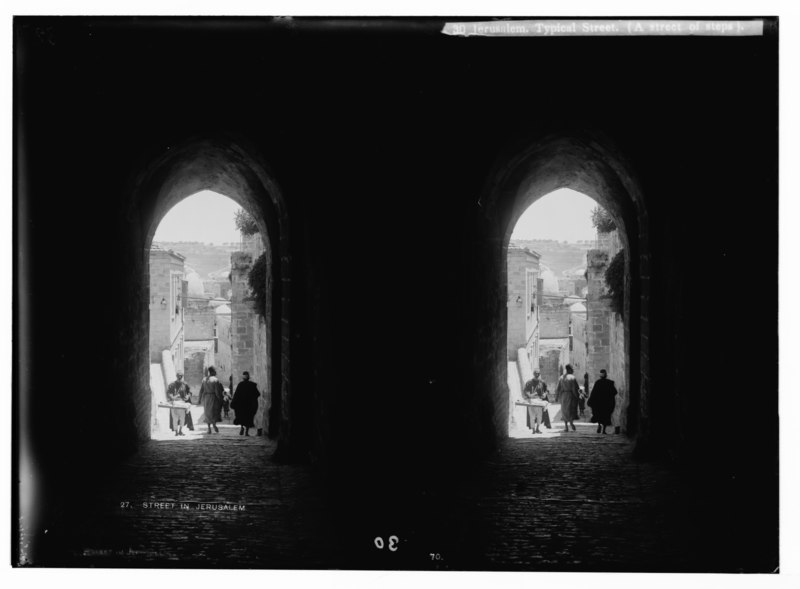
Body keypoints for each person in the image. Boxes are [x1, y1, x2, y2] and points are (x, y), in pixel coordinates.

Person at [588, 369, 618, 434]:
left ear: (600, 376)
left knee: (599, 414)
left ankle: (599, 425)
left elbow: (593, 393)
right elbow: (615, 392)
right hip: (607, 403)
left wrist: (591, 401)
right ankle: (603, 430)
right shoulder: (610, 383)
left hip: (599, 403)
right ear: (606, 375)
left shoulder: (597, 383)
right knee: (606, 416)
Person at [231, 371, 260, 436]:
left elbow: (236, 395)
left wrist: (234, 403)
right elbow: (257, 394)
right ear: (248, 377)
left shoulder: (240, 385)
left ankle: (242, 428)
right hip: (249, 405)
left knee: (242, 416)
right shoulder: (252, 385)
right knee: (248, 418)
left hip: (241, 405)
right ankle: (246, 431)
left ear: (243, 378)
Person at [198, 366, 224, 434]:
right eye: (215, 371)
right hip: (213, 397)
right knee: (214, 412)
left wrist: (199, 399)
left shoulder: (204, 379)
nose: (216, 372)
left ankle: (209, 428)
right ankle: (214, 425)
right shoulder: (215, 380)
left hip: (206, 398)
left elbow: (201, 390)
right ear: (212, 372)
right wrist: (220, 399)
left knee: (207, 413)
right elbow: (217, 392)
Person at [555, 364, 581, 432]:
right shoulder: (572, 377)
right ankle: (571, 423)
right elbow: (575, 388)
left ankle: (566, 426)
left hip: (563, 396)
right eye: (572, 369)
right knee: (571, 410)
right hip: (571, 395)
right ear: (569, 369)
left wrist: (557, 397)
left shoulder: (561, 377)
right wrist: (577, 396)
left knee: (564, 411)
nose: (573, 370)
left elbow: (558, 388)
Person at [167, 371, 193, 436]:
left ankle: (180, 430)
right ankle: (176, 432)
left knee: (182, 418)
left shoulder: (185, 384)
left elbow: (189, 392)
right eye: (178, 376)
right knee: (174, 418)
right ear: (176, 376)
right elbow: (169, 393)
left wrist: (187, 396)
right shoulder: (172, 384)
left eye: (181, 376)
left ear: (182, 376)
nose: (179, 377)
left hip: (182, 403)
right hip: (174, 403)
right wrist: (173, 397)